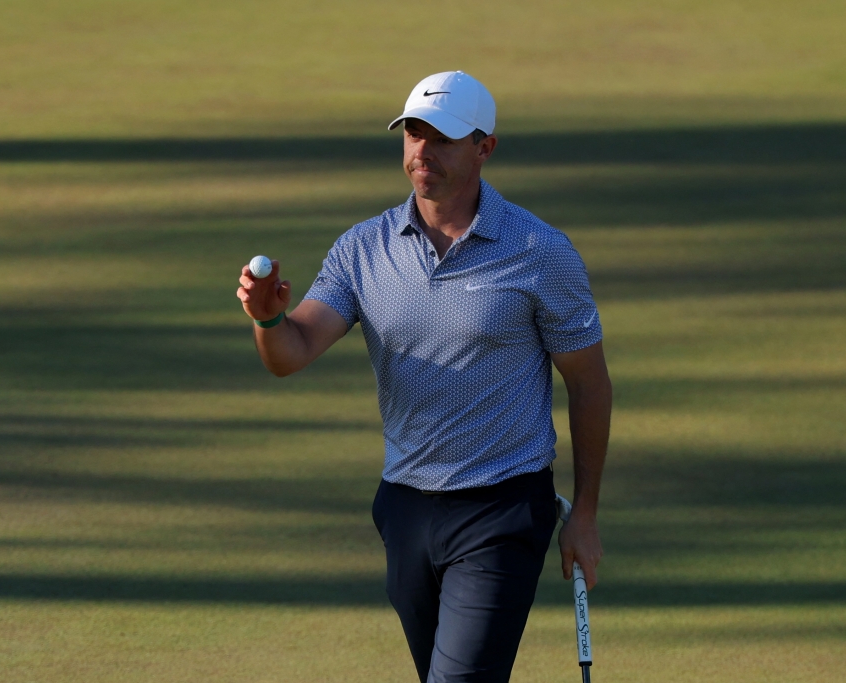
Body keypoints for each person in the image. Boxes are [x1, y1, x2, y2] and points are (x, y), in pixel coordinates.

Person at [237, 70, 612, 683]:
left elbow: (590, 384)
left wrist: (586, 515)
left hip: (503, 506)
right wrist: (268, 316)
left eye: (442, 137)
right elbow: (291, 351)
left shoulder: (540, 252)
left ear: (484, 147)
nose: (422, 151)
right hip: (406, 509)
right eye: (414, 132)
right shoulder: (363, 249)